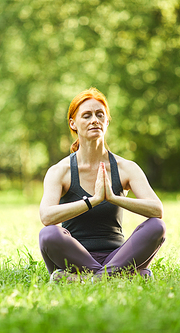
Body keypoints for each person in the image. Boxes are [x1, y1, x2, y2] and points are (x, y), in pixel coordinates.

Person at [38, 87, 166, 281]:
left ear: (107, 121)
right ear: (73, 124)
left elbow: (157, 210)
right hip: (75, 257)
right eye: (86, 116)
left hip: (119, 257)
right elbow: (46, 217)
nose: (94, 120)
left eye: (100, 115)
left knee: (157, 226)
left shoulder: (126, 168)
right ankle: (123, 277)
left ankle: (82, 279)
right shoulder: (60, 171)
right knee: (48, 234)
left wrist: (113, 198)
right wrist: (93, 201)